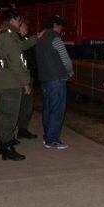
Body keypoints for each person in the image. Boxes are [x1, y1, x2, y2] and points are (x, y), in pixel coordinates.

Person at [0, 10, 38, 161]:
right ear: (12, 20)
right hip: (10, 82)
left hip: (3, 80)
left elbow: (20, 47)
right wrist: (25, 82)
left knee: (2, 114)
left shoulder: (3, 34)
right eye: (19, 20)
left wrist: (35, 38)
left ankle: (1, 144)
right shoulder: (9, 36)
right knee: (9, 117)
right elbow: (17, 62)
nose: (20, 23)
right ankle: (7, 148)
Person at [36, 15, 74, 150]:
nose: (61, 28)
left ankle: (47, 137)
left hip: (44, 79)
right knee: (57, 110)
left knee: (47, 109)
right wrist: (70, 72)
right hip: (57, 79)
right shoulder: (55, 38)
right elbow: (66, 59)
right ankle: (52, 140)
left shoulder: (40, 38)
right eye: (60, 25)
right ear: (55, 25)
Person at [16, 19, 38, 140]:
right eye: (25, 26)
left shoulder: (25, 40)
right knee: (19, 106)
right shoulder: (17, 41)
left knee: (28, 106)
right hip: (22, 79)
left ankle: (23, 129)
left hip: (29, 76)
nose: (27, 28)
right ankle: (13, 133)